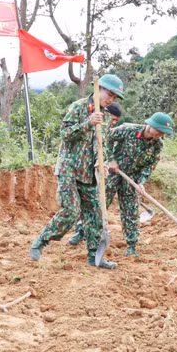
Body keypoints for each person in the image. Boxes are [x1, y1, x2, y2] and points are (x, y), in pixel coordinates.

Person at [29, 74, 124, 269]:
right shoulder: (78, 107)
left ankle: (93, 257)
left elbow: (102, 144)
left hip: (89, 174)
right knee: (71, 211)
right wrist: (88, 123)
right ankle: (41, 241)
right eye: (110, 94)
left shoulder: (106, 117)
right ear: (99, 89)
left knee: (95, 215)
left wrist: (101, 161)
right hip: (69, 169)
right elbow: (64, 134)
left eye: (114, 98)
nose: (111, 100)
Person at [69, 112, 172, 257]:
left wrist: (141, 182)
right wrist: (111, 159)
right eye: (159, 131)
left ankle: (131, 246)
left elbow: (150, 166)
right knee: (97, 204)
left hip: (132, 179)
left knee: (130, 212)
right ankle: (81, 232)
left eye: (163, 133)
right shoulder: (128, 129)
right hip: (112, 173)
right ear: (151, 125)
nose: (160, 134)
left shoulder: (157, 145)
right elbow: (106, 138)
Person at [64, 102, 129, 248]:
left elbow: (107, 147)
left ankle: (93, 235)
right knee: (90, 205)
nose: (112, 123)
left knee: (96, 206)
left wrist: (107, 160)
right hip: (87, 169)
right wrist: (106, 161)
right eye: (111, 119)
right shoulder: (95, 128)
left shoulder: (109, 130)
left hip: (104, 169)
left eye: (114, 121)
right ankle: (80, 232)